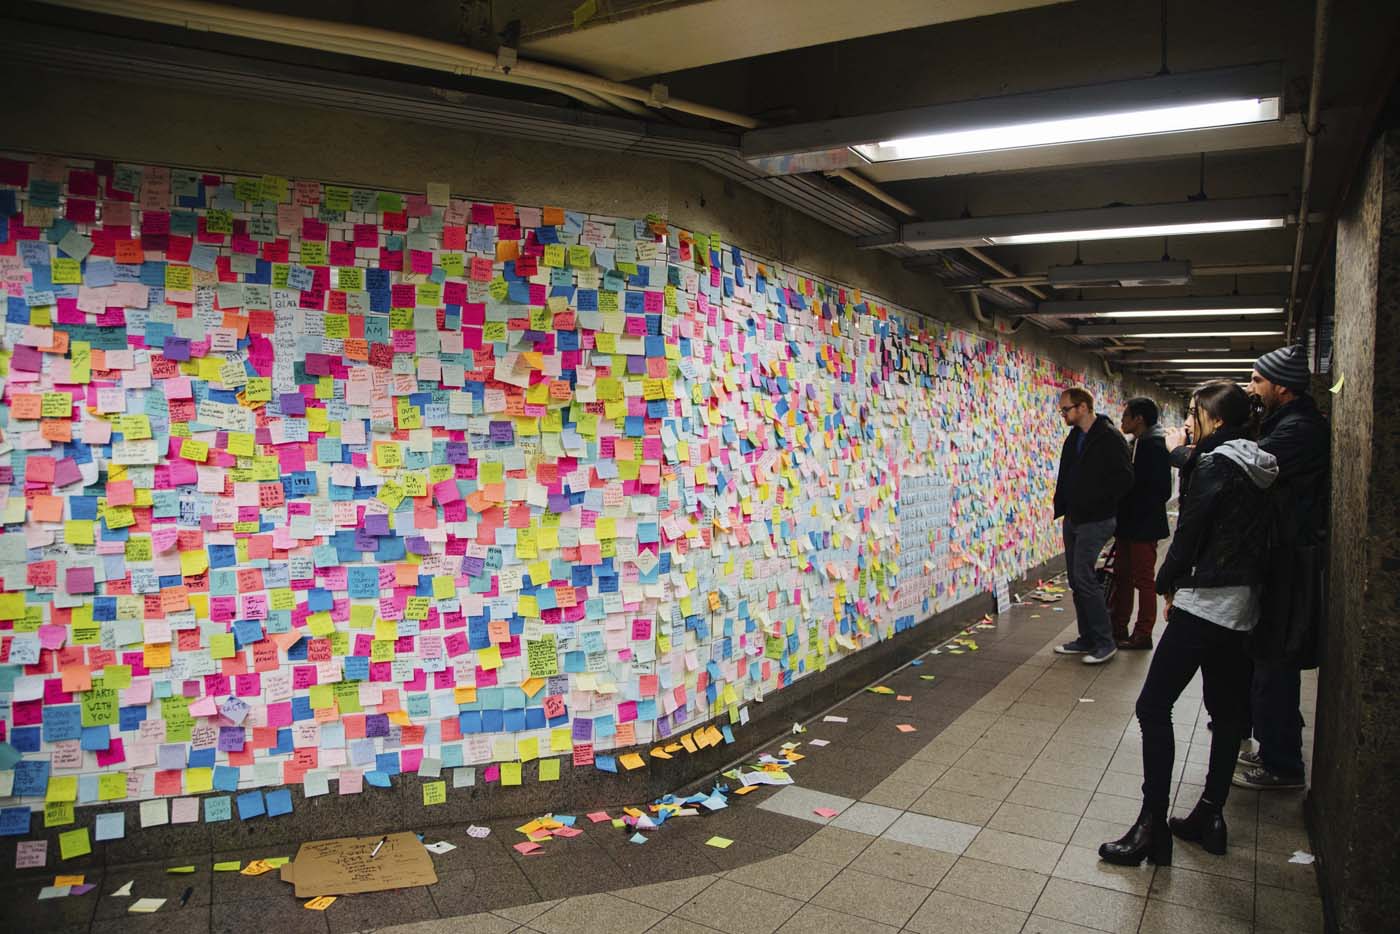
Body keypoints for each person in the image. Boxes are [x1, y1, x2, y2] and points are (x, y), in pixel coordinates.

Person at [1100, 381, 1278, 867]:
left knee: (1153, 706)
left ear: (1215, 421)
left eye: (1196, 414)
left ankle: (1151, 827)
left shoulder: (1215, 466)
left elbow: (1191, 530)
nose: (1189, 422)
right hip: (1243, 607)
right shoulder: (1260, 463)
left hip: (1204, 604)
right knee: (1225, 716)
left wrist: (1166, 579)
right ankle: (1210, 815)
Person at [1235, 344, 1329, 791]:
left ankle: (1282, 764)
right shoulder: (1290, 422)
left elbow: (1249, 466)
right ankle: (1276, 749)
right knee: (1270, 660)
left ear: (1281, 385)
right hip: (1283, 554)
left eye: (1257, 380)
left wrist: (1199, 451)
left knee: (1275, 659)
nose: (1252, 388)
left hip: (1289, 561)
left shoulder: (1299, 429)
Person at [1052, 387, 1134, 665]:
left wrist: (1097, 502)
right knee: (1076, 580)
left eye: (1066, 409)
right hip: (1074, 517)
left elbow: (1124, 479)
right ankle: (1086, 638)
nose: (1062, 413)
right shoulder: (1075, 437)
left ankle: (1104, 641)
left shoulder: (1109, 437)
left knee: (1085, 577)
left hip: (1096, 519)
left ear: (1083, 407)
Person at [1111, 397, 1173, 650]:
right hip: (1128, 524)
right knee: (1121, 577)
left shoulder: (1154, 447)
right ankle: (1118, 627)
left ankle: (1143, 633)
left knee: (1143, 580)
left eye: (1126, 416)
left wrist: (1132, 495)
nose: (1122, 420)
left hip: (1143, 526)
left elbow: (1162, 491)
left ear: (1139, 419)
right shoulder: (1135, 444)